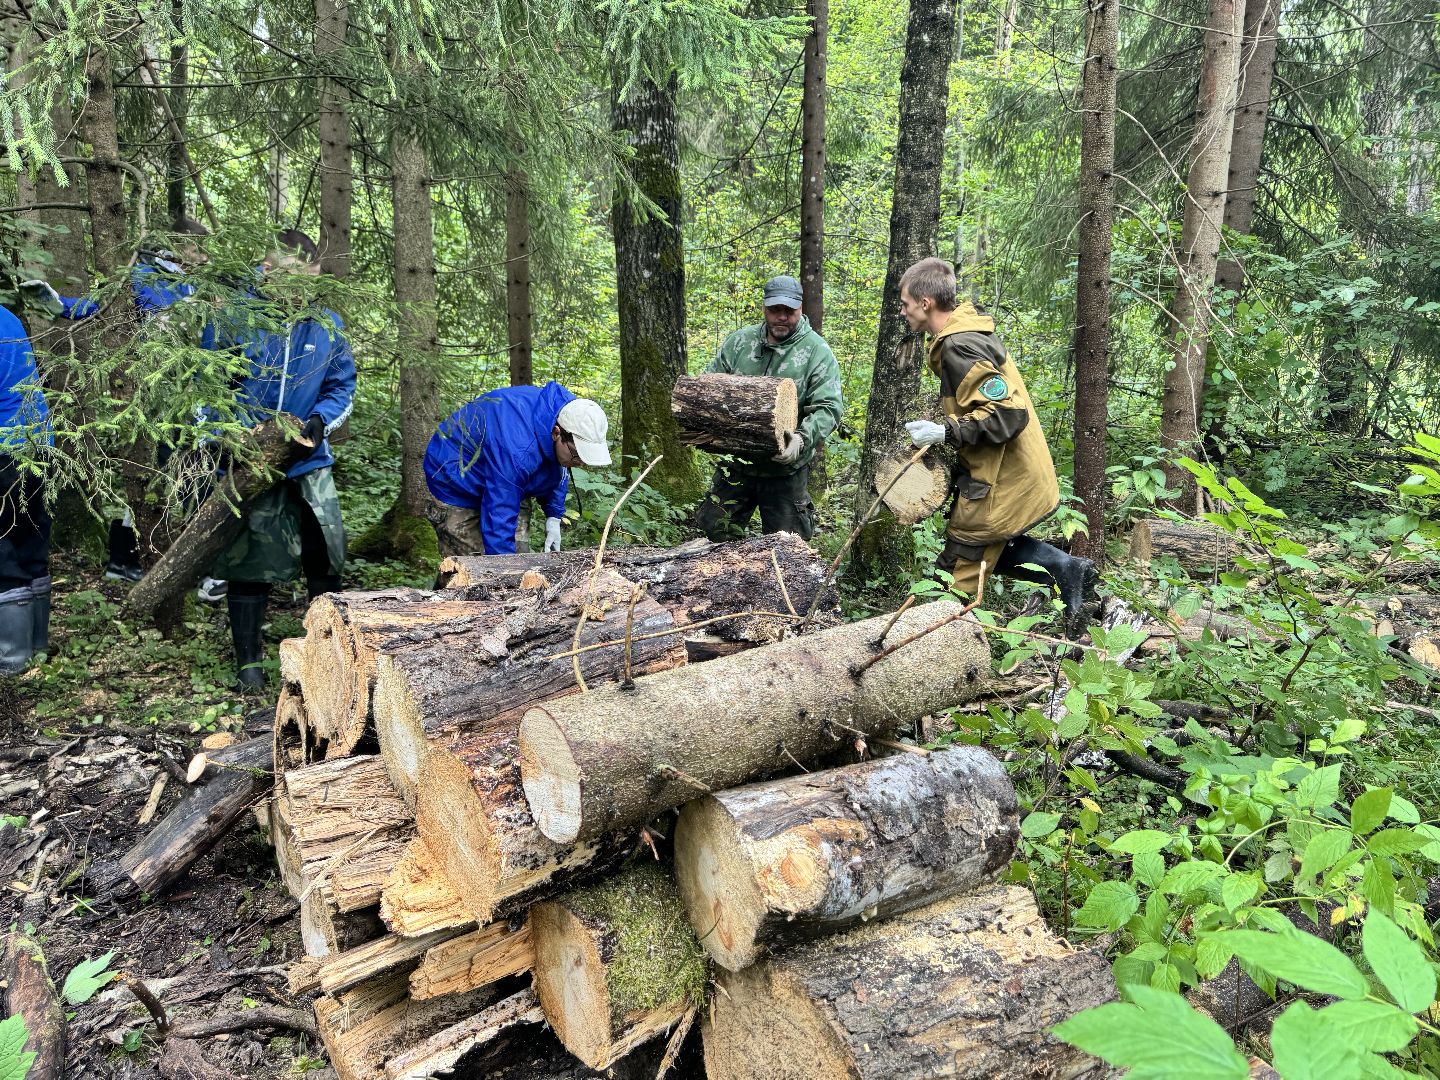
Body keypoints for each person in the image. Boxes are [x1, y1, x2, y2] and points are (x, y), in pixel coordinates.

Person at [898, 257, 1095, 632]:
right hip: (1004, 471)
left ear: (925, 302)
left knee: (958, 568)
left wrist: (945, 432)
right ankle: (1067, 569)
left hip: (1004, 477)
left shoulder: (959, 346)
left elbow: (1008, 414)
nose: (902, 310)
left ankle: (949, 642)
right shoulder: (963, 337)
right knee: (987, 547)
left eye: (906, 303)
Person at [25, 219, 212, 585]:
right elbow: (96, 304)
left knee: (186, 471)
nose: (204, 257)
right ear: (178, 246)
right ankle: (125, 557)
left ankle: (147, 557)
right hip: (154, 393)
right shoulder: (142, 276)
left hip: (191, 394)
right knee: (152, 472)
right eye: (197, 249)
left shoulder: (195, 284)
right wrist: (54, 302)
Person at [209, 230, 355, 689]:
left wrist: (321, 419)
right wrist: (229, 436)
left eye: (308, 282)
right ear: (267, 269)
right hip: (249, 458)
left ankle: (326, 658)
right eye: (291, 280)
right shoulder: (235, 315)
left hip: (309, 460)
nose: (299, 293)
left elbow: (341, 386)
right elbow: (209, 384)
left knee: (325, 554)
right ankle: (249, 665)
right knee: (250, 557)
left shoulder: (326, 324)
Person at [695, 275, 842, 542]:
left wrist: (801, 439)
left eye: (789, 310)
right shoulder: (740, 342)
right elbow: (709, 387)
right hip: (736, 466)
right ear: (764, 307)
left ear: (800, 308)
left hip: (784, 472)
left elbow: (828, 408)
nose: (782, 317)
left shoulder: (816, 351)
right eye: (775, 309)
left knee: (788, 549)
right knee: (714, 535)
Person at [424, 381, 610, 557]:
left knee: (519, 556)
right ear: (556, 433)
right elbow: (500, 510)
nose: (580, 463)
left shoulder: (569, 415)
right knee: (470, 567)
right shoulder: (517, 450)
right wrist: (503, 569)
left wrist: (554, 515)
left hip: (507, 478)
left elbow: (556, 466)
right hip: (454, 477)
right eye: (577, 455)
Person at [0, 304, 51, 675]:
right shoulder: (8, 317)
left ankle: (11, 660)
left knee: (4, 552)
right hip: (38, 445)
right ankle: (36, 648)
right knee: (31, 543)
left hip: (4, 448)